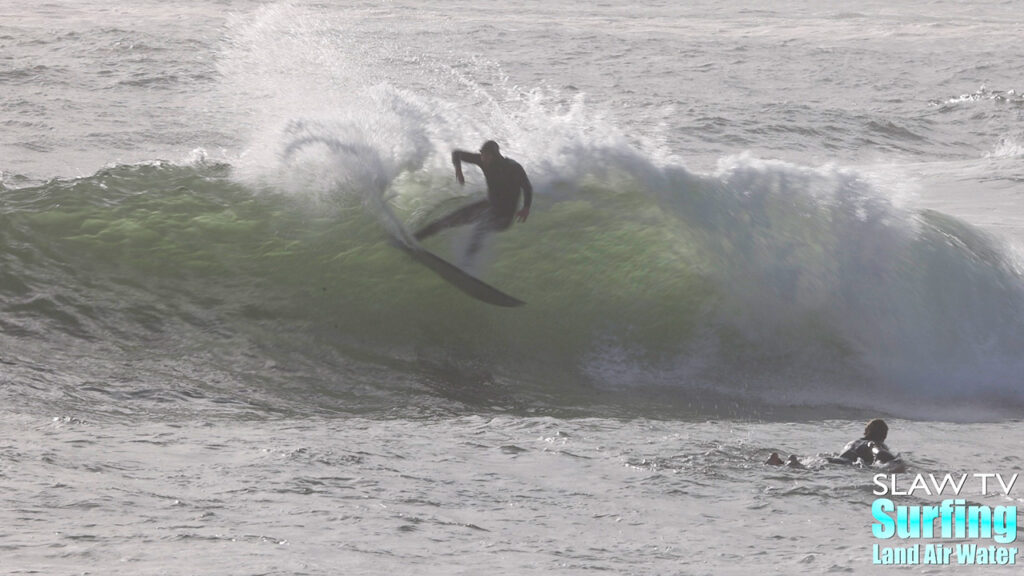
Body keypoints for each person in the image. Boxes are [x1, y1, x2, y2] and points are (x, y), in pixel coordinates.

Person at [413, 140, 532, 265]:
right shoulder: (482, 160)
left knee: (481, 226)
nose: (483, 158)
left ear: (494, 155)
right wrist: (458, 169)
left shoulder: (513, 168)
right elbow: (457, 153)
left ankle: (466, 266)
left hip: (505, 216)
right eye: (482, 154)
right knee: (450, 219)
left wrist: (526, 207)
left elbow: (527, 187)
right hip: (489, 205)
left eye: (486, 155)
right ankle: (414, 238)